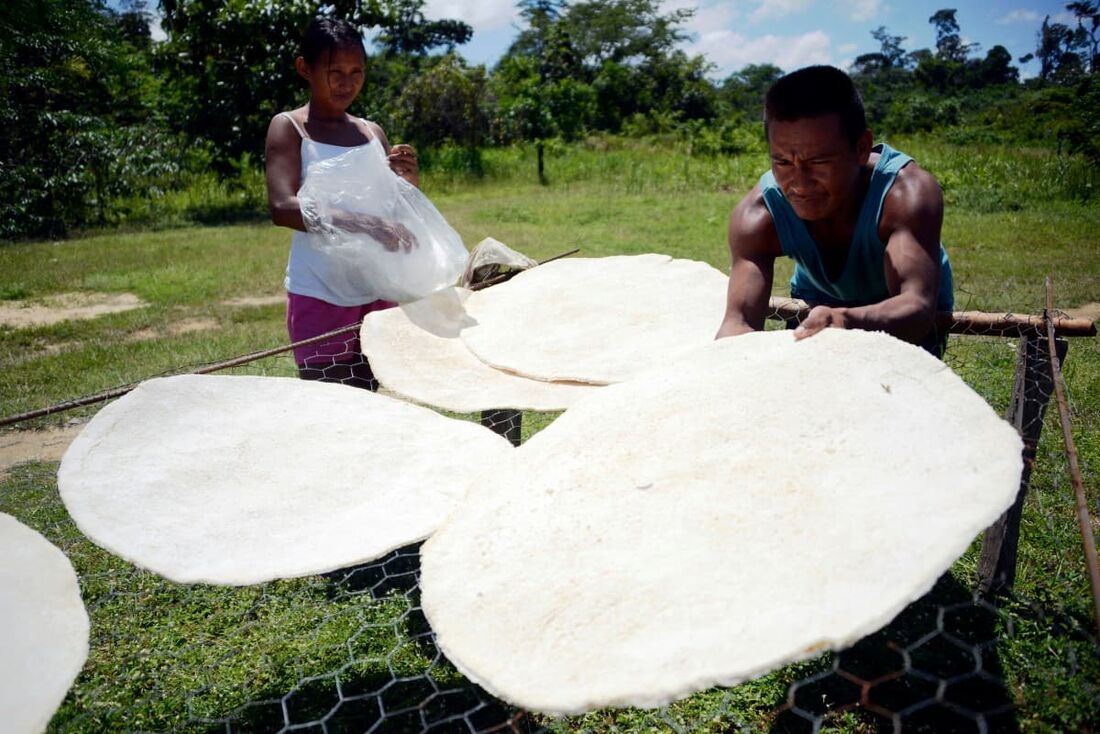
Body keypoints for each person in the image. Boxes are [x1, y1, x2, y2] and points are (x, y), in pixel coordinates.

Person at [715, 65, 954, 357]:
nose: (799, 184)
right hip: (819, 300)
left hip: (903, 311)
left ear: (861, 148)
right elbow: (738, 322)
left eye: (818, 162)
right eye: (783, 163)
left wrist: (844, 320)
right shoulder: (758, 216)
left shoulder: (906, 195)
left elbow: (916, 307)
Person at [265, 17, 420, 390]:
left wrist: (408, 182)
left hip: (377, 289)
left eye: (357, 72)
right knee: (329, 408)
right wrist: (365, 224)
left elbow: (391, 208)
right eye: (335, 71)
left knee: (369, 400)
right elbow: (283, 207)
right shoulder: (290, 128)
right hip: (321, 291)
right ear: (305, 68)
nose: (347, 83)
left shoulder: (371, 132)